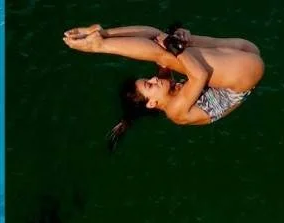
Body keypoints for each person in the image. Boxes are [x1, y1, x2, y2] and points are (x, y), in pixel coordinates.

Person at [63, 24, 264, 150]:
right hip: (242, 77)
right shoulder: (176, 112)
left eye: (148, 80)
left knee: (162, 41)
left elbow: (153, 35)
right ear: (152, 103)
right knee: (166, 53)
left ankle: (101, 34)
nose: (153, 79)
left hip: (244, 51)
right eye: (149, 85)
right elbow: (199, 75)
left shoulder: (164, 87)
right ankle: (98, 46)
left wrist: (178, 38)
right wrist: (174, 47)